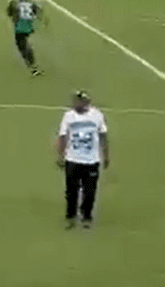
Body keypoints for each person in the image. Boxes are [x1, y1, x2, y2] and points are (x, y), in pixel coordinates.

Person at [55, 90, 108, 229]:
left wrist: (106, 155)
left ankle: (86, 217)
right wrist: (60, 156)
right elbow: (62, 136)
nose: (77, 104)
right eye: (75, 101)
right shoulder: (68, 116)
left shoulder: (97, 116)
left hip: (91, 161)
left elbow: (103, 136)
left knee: (89, 191)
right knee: (71, 191)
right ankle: (71, 216)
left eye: (80, 101)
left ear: (87, 102)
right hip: (72, 159)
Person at [5, 0, 44, 76]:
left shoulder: (14, 2)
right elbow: (37, 12)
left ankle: (32, 66)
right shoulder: (31, 2)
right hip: (29, 26)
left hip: (19, 26)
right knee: (24, 42)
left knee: (22, 45)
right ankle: (31, 62)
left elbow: (9, 13)